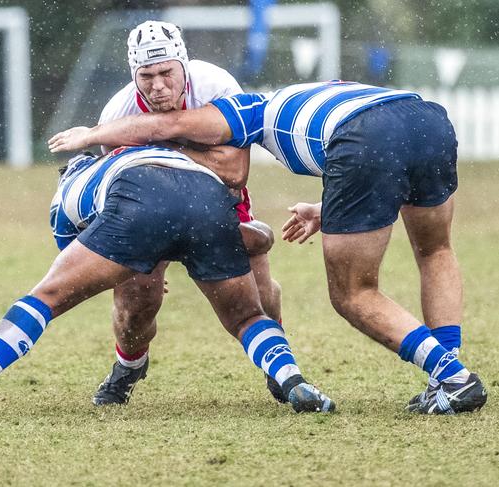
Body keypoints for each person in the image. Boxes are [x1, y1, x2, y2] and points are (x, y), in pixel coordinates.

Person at [48, 81, 488, 415]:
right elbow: (382, 153)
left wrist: (93, 136)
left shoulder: (244, 108)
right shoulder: (323, 95)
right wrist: (325, 207)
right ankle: (445, 372)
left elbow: (166, 124)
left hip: (366, 139)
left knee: (353, 294)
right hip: (425, 118)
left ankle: (453, 377)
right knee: (435, 251)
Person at [0, 146, 335, 415]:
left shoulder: (69, 189)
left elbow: (75, 267)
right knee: (246, 317)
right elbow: (257, 236)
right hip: (207, 197)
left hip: (138, 197)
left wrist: (142, 257)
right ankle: (296, 383)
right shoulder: (165, 154)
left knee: (45, 298)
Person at [90, 21, 284, 406]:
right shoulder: (118, 113)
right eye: (146, 76)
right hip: (150, 208)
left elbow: (233, 171)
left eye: (166, 73)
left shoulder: (219, 88)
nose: (158, 86)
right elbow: (114, 191)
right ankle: (129, 365)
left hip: (220, 198)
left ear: (184, 64)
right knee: (134, 306)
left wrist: (162, 147)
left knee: (259, 294)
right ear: (134, 76)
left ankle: (278, 365)